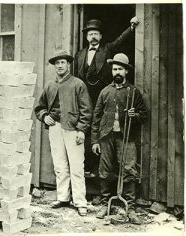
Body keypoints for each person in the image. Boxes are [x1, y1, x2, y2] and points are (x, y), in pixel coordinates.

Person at [74, 17, 140, 196]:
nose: (93, 37)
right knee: (86, 139)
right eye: (90, 34)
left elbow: (120, 40)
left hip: (104, 100)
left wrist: (131, 27)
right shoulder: (79, 55)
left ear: (100, 36)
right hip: (84, 102)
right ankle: (88, 183)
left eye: (96, 34)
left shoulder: (107, 49)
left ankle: (105, 187)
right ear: (87, 37)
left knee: (103, 141)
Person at [91, 53, 148, 224]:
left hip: (127, 136)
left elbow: (144, 115)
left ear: (126, 72)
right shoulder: (105, 91)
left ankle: (130, 208)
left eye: (120, 69)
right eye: (115, 68)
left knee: (129, 170)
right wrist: (94, 140)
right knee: (104, 169)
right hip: (106, 136)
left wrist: (135, 114)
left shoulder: (133, 92)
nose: (117, 71)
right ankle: (104, 203)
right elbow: (96, 117)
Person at [34, 49, 92, 216]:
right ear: (54, 66)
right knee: (60, 165)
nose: (60, 65)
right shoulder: (50, 85)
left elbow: (86, 110)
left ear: (68, 65)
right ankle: (63, 197)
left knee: (76, 167)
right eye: (57, 63)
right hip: (55, 128)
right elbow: (40, 107)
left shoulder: (78, 84)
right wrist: (44, 116)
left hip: (73, 129)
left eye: (63, 62)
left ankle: (80, 202)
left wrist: (82, 129)